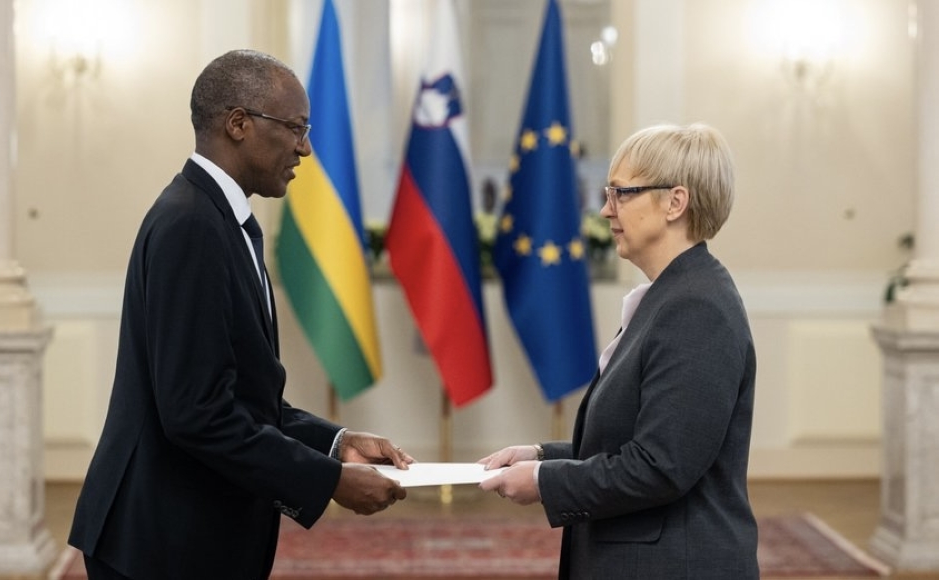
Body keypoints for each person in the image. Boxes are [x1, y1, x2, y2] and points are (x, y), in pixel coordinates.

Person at [68, 49, 412, 580]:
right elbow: (197, 412)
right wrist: (327, 482)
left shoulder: (220, 219)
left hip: (188, 533)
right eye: (296, 127)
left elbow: (240, 395)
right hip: (161, 542)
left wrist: (336, 444)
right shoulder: (192, 225)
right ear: (238, 124)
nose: (305, 147)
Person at [479, 123, 758, 579]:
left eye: (621, 193)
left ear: (675, 202)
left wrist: (544, 482)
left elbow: (660, 465)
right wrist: (544, 456)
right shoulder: (670, 295)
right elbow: (639, 436)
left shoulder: (696, 307)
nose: (605, 210)